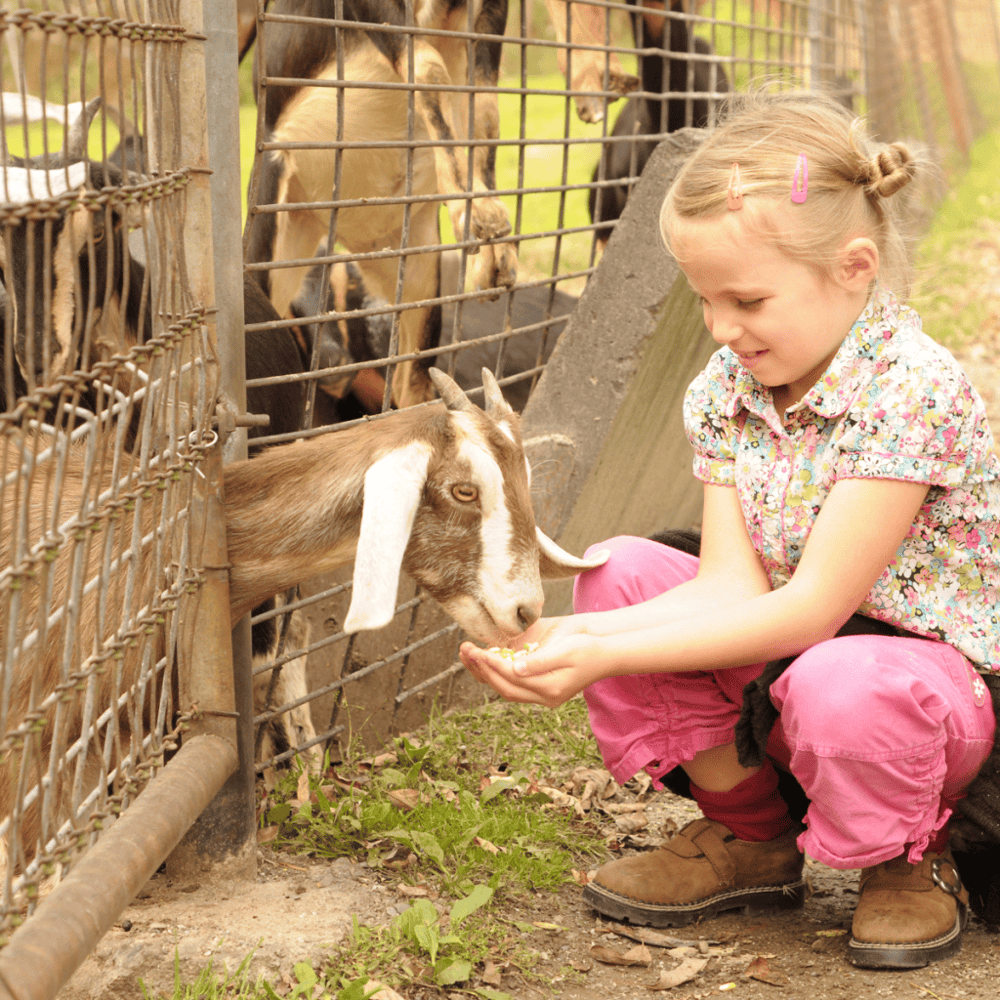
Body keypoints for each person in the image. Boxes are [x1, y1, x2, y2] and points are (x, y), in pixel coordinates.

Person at [460, 90, 1000, 970]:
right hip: (794, 668)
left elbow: (816, 609)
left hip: (915, 689)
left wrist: (605, 659)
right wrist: (570, 631)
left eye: (746, 299)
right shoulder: (728, 390)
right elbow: (727, 587)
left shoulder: (910, 390)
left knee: (844, 681)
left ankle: (907, 858)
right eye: (704, 299)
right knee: (618, 572)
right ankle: (751, 836)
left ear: (854, 268)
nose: (720, 327)